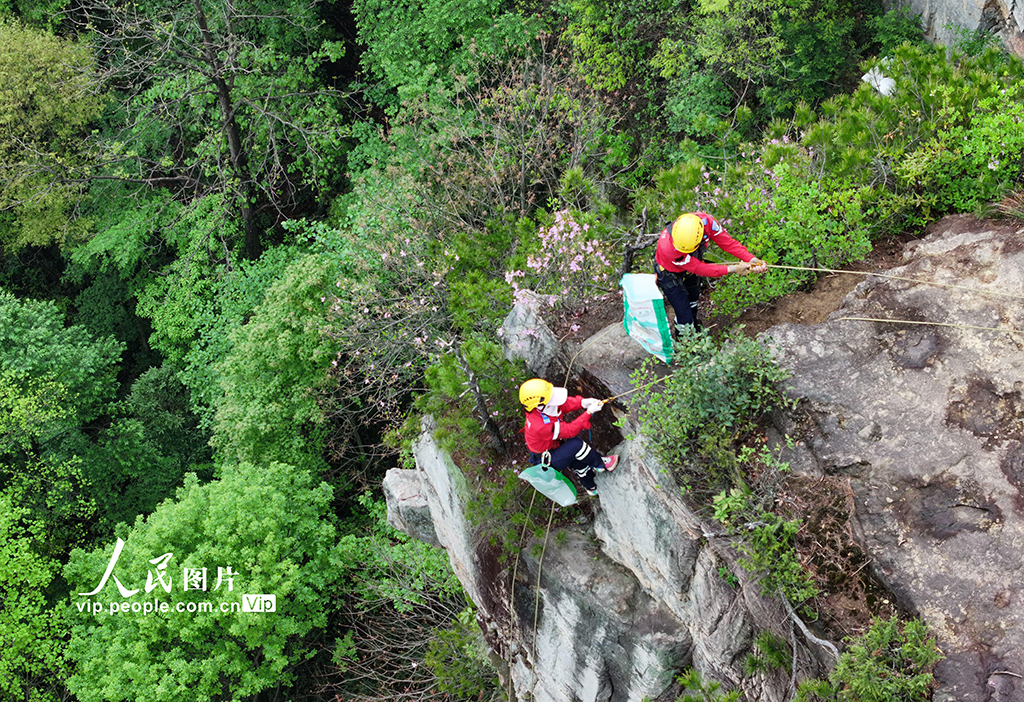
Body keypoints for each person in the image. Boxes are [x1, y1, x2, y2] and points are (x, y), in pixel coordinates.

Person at [655, 212, 767, 331]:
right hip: (668, 273)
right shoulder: (669, 248)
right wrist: (733, 269)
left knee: (693, 301)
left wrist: (751, 259)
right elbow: (699, 268)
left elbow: (728, 243)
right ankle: (685, 342)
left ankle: (695, 328)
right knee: (684, 313)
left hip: (690, 268)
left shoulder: (707, 223)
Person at [519, 378, 618, 498]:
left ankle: (591, 488)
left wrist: (583, 402)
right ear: (539, 405)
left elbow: (563, 405)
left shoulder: (541, 410)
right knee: (576, 445)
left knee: (578, 460)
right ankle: (601, 463)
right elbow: (569, 431)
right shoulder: (539, 425)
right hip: (548, 460)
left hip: (552, 449)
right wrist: (588, 412)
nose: (554, 400)